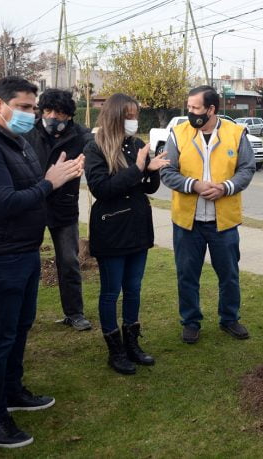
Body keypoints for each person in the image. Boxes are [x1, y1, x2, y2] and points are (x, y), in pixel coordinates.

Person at [0, 76, 84, 448]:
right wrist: (50, 182)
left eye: (33, 107)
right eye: (26, 107)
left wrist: (51, 179)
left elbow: (32, 184)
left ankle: (13, 391)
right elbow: (7, 201)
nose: (32, 114)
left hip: (25, 251)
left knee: (20, 327)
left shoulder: (14, 141)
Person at [161, 85, 256, 344]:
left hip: (223, 222)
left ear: (211, 109)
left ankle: (229, 319)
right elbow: (167, 172)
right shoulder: (178, 134)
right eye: (189, 107)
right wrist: (194, 185)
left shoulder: (236, 134)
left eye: (195, 108)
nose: (190, 112)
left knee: (229, 274)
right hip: (187, 222)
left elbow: (247, 169)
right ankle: (190, 322)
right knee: (187, 275)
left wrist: (226, 187)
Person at [84, 93, 168, 375]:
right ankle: (115, 349)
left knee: (134, 287)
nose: (134, 121)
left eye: (136, 115)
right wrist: (138, 169)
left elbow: (148, 188)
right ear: (116, 116)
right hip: (111, 229)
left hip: (137, 227)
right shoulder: (95, 147)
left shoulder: (137, 144)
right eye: (129, 116)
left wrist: (152, 170)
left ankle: (132, 343)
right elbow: (102, 189)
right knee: (111, 291)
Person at [23, 89, 92, 331]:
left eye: (60, 113)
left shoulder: (81, 135)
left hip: (64, 207)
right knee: (26, 263)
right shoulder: (28, 132)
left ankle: (74, 313)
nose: (53, 117)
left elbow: (96, 157)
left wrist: (89, 163)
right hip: (31, 205)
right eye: (49, 111)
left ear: (70, 115)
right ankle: (24, 317)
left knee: (69, 261)